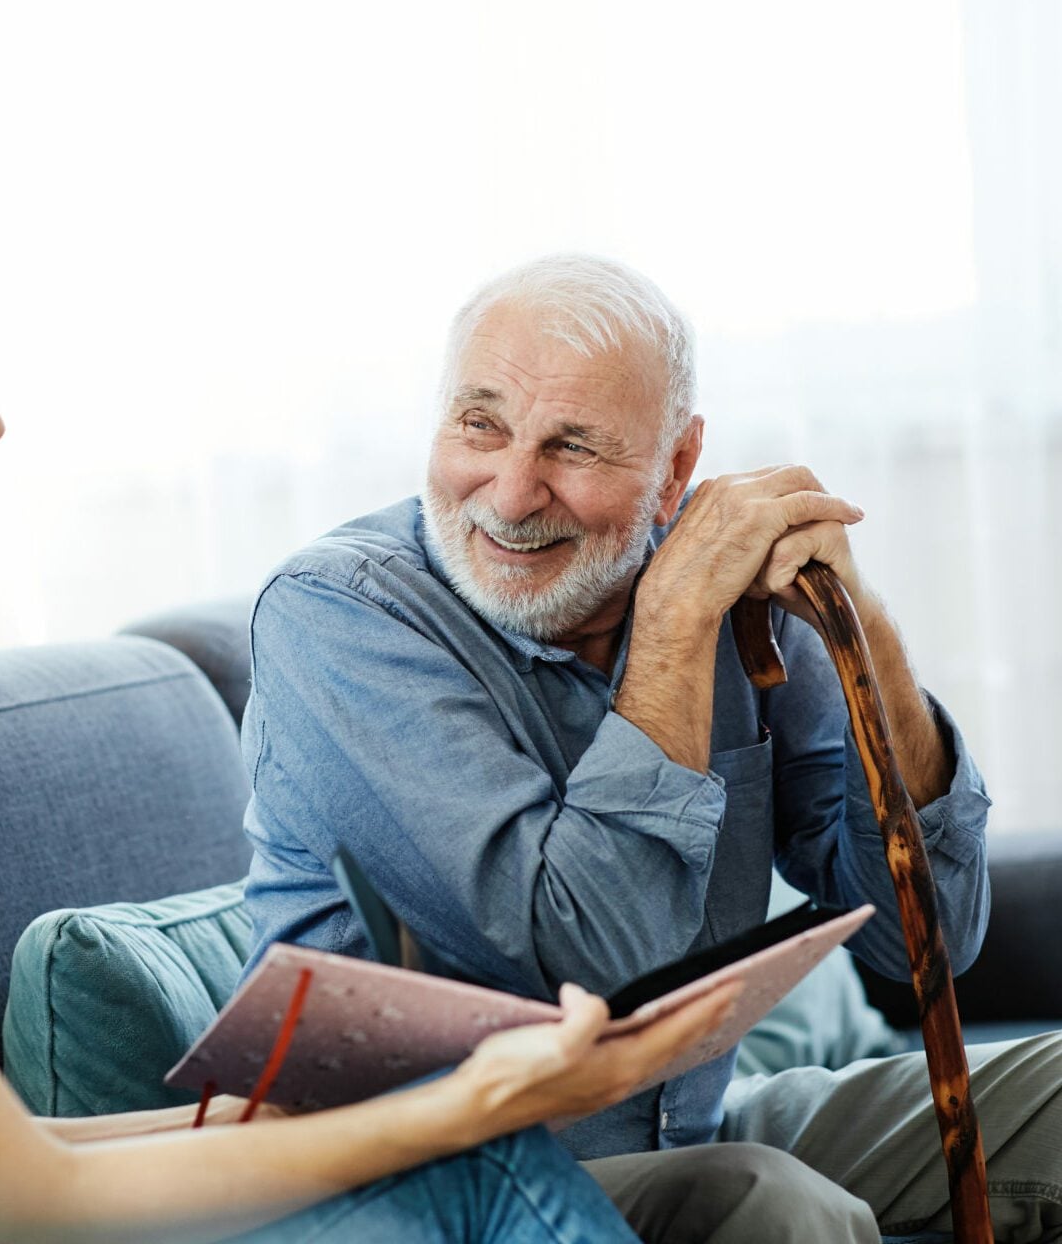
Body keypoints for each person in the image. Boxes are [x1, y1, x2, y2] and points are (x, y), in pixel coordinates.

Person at [0, 117, 741, 1244]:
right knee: (473, 1170)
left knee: (463, 1164)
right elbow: (8, 1201)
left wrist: (255, 1129)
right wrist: (478, 1096)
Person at [239, 253, 1062, 1242]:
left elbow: (921, 938)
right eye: (479, 424)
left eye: (572, 445)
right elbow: (589, 962)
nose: (507, 492)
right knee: (767, 1198)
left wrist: (861, 618)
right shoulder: (337, 618)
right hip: (448, 1191)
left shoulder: (725, 589)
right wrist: (673, 622)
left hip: (690, 1129)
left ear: (675, 466)